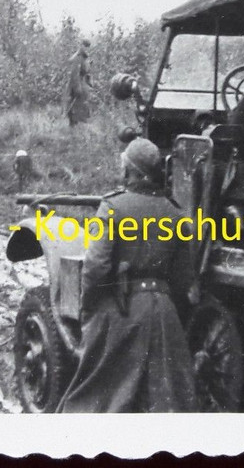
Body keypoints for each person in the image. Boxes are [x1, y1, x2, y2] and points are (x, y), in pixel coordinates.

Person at [57, 138, 198, 413]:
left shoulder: (112, 208)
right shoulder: (177, 213)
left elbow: (95, 267)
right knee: (169, 405)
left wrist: (90, 311)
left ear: (129, 171)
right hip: (164, 317)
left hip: (121, 313)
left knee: (94, 402)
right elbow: (183, 280)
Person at [66, 39, 93, 126]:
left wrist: (90, 83)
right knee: (75, 106)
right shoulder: (78, 57)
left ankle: (78, 126)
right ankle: (73, 126)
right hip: (76, 84)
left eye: (87, 46)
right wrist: (77, 87)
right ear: (81, 45)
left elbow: (87, 72)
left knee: (81, 105)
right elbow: (75, 73)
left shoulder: (85, 58)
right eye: (84, 46)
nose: (86, 48)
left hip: (82, 83)